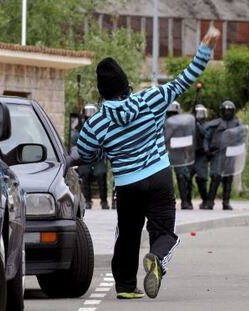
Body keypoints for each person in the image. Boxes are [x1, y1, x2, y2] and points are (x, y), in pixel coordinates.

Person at [75, 29, 219, 299]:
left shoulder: (96, 123)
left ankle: (126, 287)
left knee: (127, 235)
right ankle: (156, 258)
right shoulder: (150, 99)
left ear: (102, 92)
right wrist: (204, 51)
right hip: (159, 175)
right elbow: (182, 81)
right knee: (164, 230)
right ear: (126, 84)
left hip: (128, 185)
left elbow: (86, 153)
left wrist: (104, 152)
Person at [204, 100, 240, 210]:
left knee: (228, 179)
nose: (228, 113)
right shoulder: (215, 124)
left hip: (230, 155)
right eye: (226, 110)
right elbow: (207, 137)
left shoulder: (237, 124)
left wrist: (239, 148)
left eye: (230, 111)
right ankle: (210, 202)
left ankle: (226, 202)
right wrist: (207, 150)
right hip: (218, 154)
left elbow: (241, 138)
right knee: (215, 177)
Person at [75, 104, 110, 210]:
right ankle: (88, 200)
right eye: (87, 117)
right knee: (84, 174)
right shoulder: (78, 131)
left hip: (98, 159)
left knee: (101, 173)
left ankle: (104, 201)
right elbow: (75, 146)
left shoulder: (102, 128)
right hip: (85, 159)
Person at [164, 101, 194, 210]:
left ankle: (185, 201)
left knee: (182, 177)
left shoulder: (183, 124)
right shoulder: (162, 123)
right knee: (165, 179)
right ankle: (166, 202)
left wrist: (188, 151)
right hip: (166, 153)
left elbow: (188, 138)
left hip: (179, 153)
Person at [189, 104, 210, 209]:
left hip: (201, 155)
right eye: (197, 113)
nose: (199, 116)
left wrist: (196, 124)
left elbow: (205, 134)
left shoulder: (207, 125)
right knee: (185, 178)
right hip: (188, 155)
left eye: (201, 113)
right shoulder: (188, 125)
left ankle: (205, 200)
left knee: (202, 178)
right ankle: (187, 201)